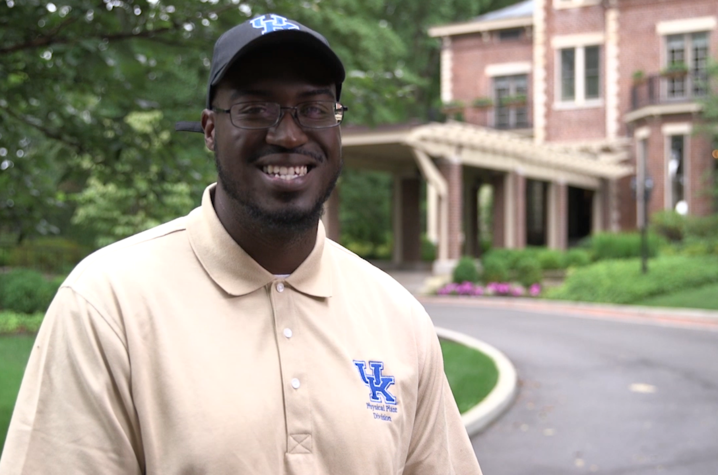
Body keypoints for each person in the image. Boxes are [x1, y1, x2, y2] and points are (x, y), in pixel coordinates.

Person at [0, 14, 483, 475]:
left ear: (336, 128)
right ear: (211, 130)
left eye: (314, 109)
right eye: (256, 109)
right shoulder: (109, 303)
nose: (289, 134)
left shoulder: (397, 316)